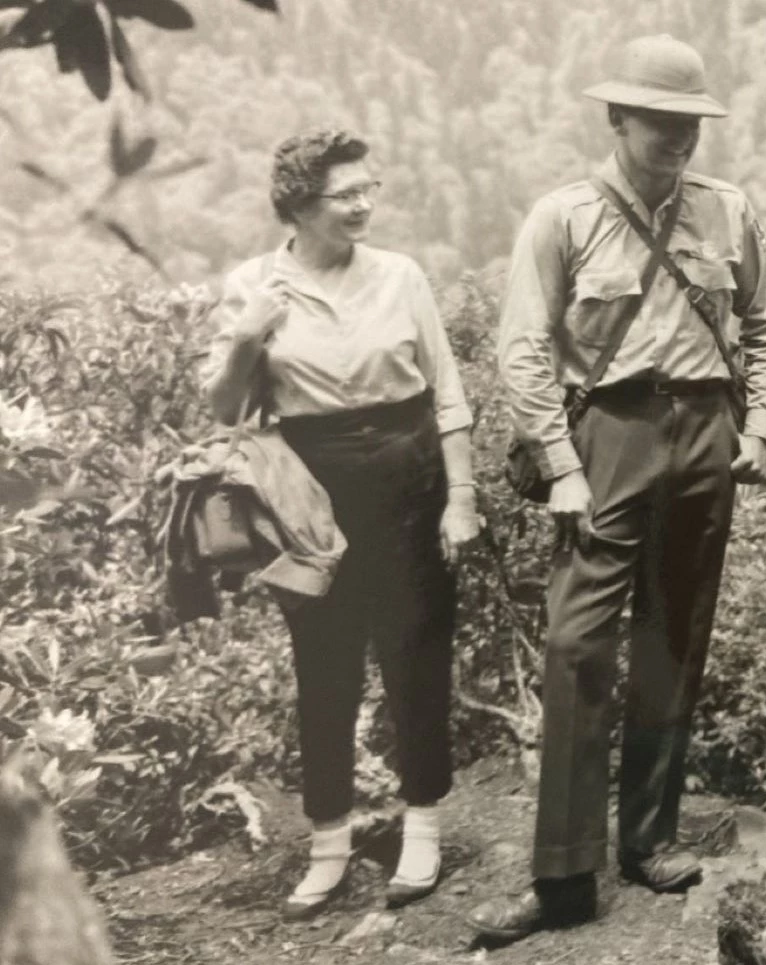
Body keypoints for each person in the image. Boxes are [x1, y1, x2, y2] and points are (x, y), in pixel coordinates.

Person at [468, 34, 766, 943]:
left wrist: (759, 427)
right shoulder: (564, 216)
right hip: (606, 434)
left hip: (706, 432)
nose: (678, 137)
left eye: (690, 121)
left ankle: (648, 838)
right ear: (617, 118)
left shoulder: (728, 212)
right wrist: (563, 467)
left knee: (674, 636)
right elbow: (523, 348)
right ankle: (566, 875)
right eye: (659, 120)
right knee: (576, 648)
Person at [202, 129, 482, 919]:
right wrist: (250, 333)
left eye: (370, 189)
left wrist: (461, 497)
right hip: (309, 488)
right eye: (345, 194)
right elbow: (225, 407)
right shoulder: (253, 284)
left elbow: (447, 392)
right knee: (322, 662)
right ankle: (328, 841)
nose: (363, 204)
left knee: (415, 650)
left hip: (408, 472)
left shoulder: (400, 276)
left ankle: (422, 824)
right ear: (298, 203)